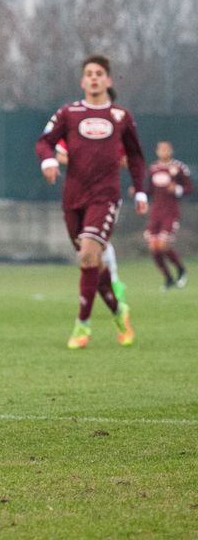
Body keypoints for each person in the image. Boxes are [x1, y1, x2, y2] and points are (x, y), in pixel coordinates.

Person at [36, 54, 147, 349]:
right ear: (83, 80)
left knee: (87, 255)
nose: (94, 77)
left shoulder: (120, 117)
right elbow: (43, 141)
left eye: (100, 73)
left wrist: (140, 190)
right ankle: (119, 311)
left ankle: (82, 326)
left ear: (108, 81)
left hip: (105, 197)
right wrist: (47, 161)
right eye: (89, 73)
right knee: (91, 262)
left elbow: (135, 156)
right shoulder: (69, 113)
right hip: (73, 197)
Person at [54, 135, 128, 307]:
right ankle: (107, 284)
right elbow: (60, 155)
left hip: (105, 196)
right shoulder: (75, 125)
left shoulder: (113, 129)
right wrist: (83, 161)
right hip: (78, 196)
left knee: (98, 242)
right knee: (86, 247)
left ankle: (114, 283)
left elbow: (126, 160)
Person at [145, 140, 192, 291]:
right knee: (153, 247)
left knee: (163, 245)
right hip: (156, 213)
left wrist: (177, 189)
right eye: (161, 150)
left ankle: (180, 269)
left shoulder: (179, 168)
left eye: (166, 149)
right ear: (157, 152)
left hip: (171, 212)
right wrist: (139, 193)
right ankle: (168, 278)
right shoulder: (153, 169)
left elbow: (189, 188)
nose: (164, 152)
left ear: (171, 151)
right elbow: (150, 190)